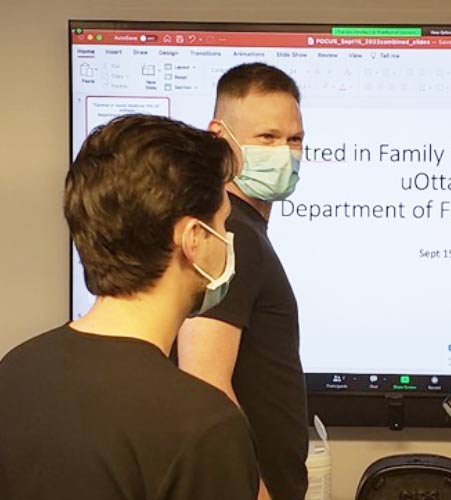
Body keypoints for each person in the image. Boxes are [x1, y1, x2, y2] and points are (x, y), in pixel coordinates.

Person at [0, 114, 259, 500]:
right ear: (193, 239)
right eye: (223, 224)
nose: (226, 239)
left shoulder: (16, 371)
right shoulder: (205, 426)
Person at [177, 63, 308, 500]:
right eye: (267, 138)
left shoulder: (246, 230)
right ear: (220, 138)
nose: (284, 153)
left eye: (294, 139)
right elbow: (203, 381)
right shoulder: (230, 235)